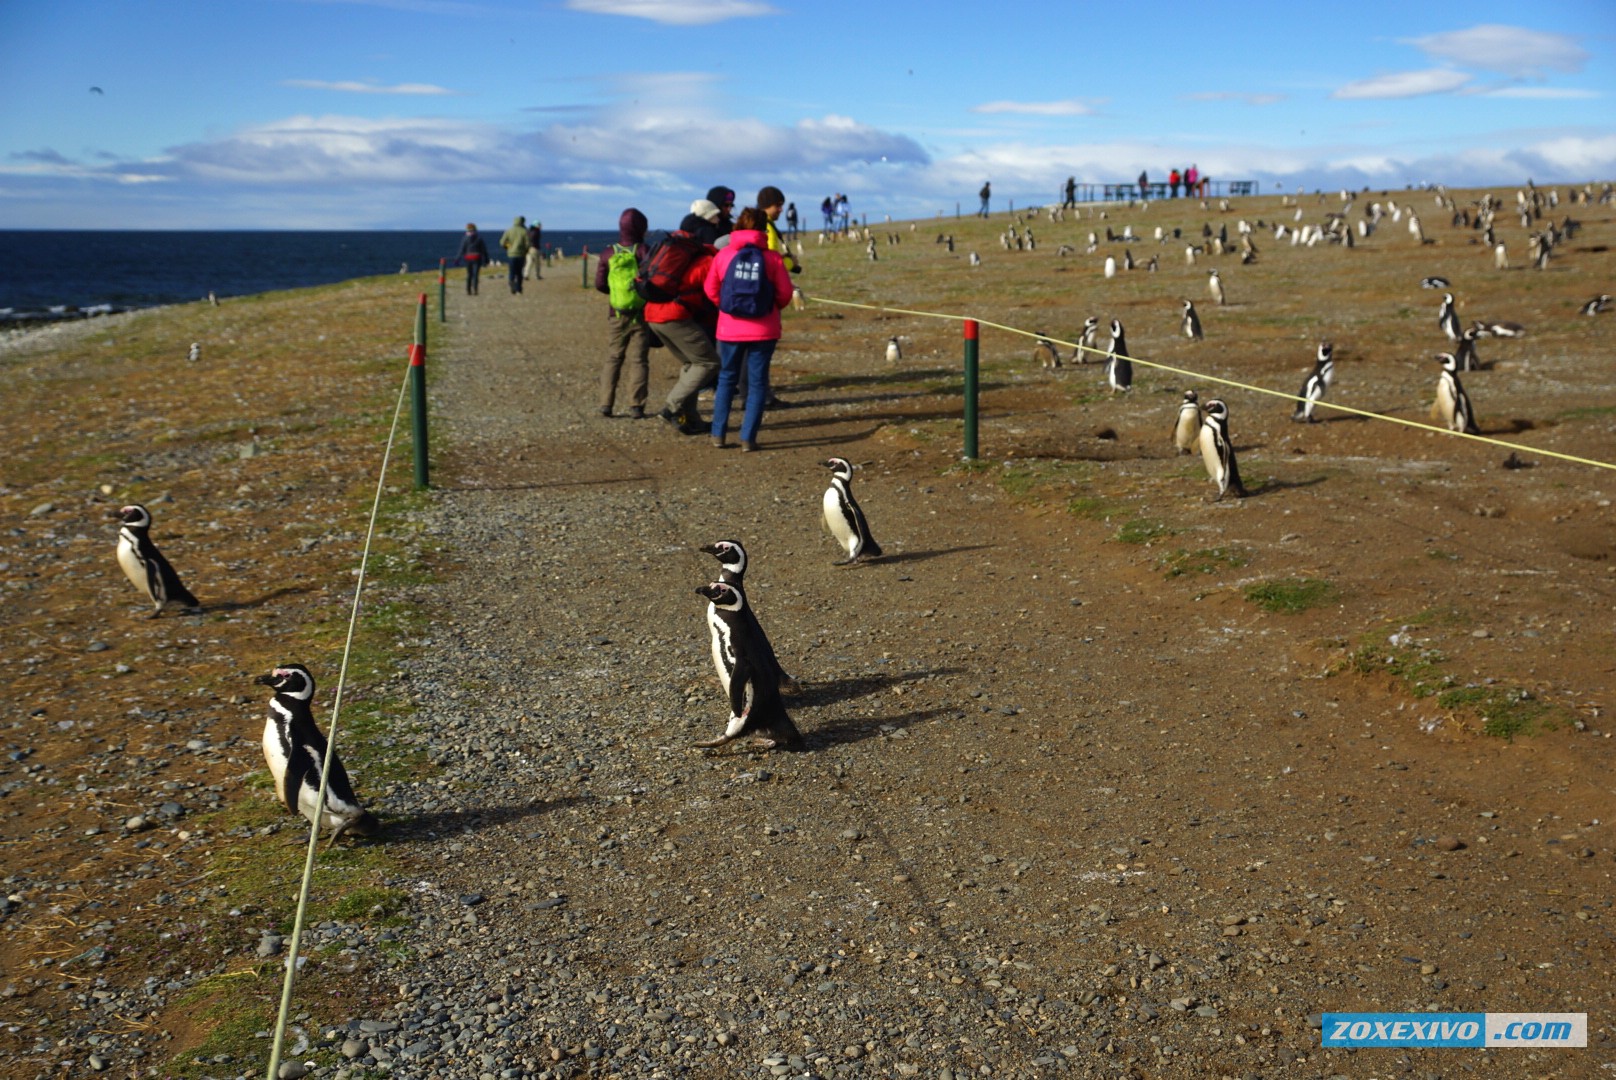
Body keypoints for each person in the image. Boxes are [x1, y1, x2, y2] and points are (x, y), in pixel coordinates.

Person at [704, 207, 794, 452]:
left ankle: (718, 434)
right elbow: (785, 293)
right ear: (763, 229)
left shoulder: (724, 255)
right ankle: (747, 438)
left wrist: (726, 308)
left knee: (726, 379)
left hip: (729, 329)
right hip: (764, 329)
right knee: (757, 383)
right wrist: (771, 307)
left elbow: (710, 289)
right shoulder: (772, 258)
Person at [649, 201, 723, 435]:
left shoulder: (685, 254)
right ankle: (671, 407)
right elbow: (712, 296)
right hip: (674, 316)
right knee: (709, 363)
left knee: (692, 363)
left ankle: (691, 419)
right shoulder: (708, 261)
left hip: (653, 313)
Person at [594, 207, 652, 418]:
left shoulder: (608, 253)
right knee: (639, 360)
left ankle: (605, 404)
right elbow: (650, 281)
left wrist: (615, 294)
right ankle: (636, 405)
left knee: (613, 357)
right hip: (640, 312)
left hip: (616, 313)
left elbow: (599, 284)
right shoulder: (643, 250)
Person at [500, 215, 530, 294]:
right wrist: (525, 250)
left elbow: (502, 242)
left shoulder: (509, 231)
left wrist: (509, 247)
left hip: (511, 254)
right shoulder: (524, 231)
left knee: (512, 271)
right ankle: (519, 288)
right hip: (521, 254)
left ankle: (512, 284)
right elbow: (528, 244)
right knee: (519, 272)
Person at [455, 223, 488, 295]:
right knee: (476, 275)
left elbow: (462, 249)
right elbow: (483, 250)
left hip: (468, 258)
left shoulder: (465, 238)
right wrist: (486, 260)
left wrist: (457, 259)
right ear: (475, 229)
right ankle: (475, 289)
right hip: (477, 258)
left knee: (469, 274)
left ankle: (468, 289)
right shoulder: (479, 238)